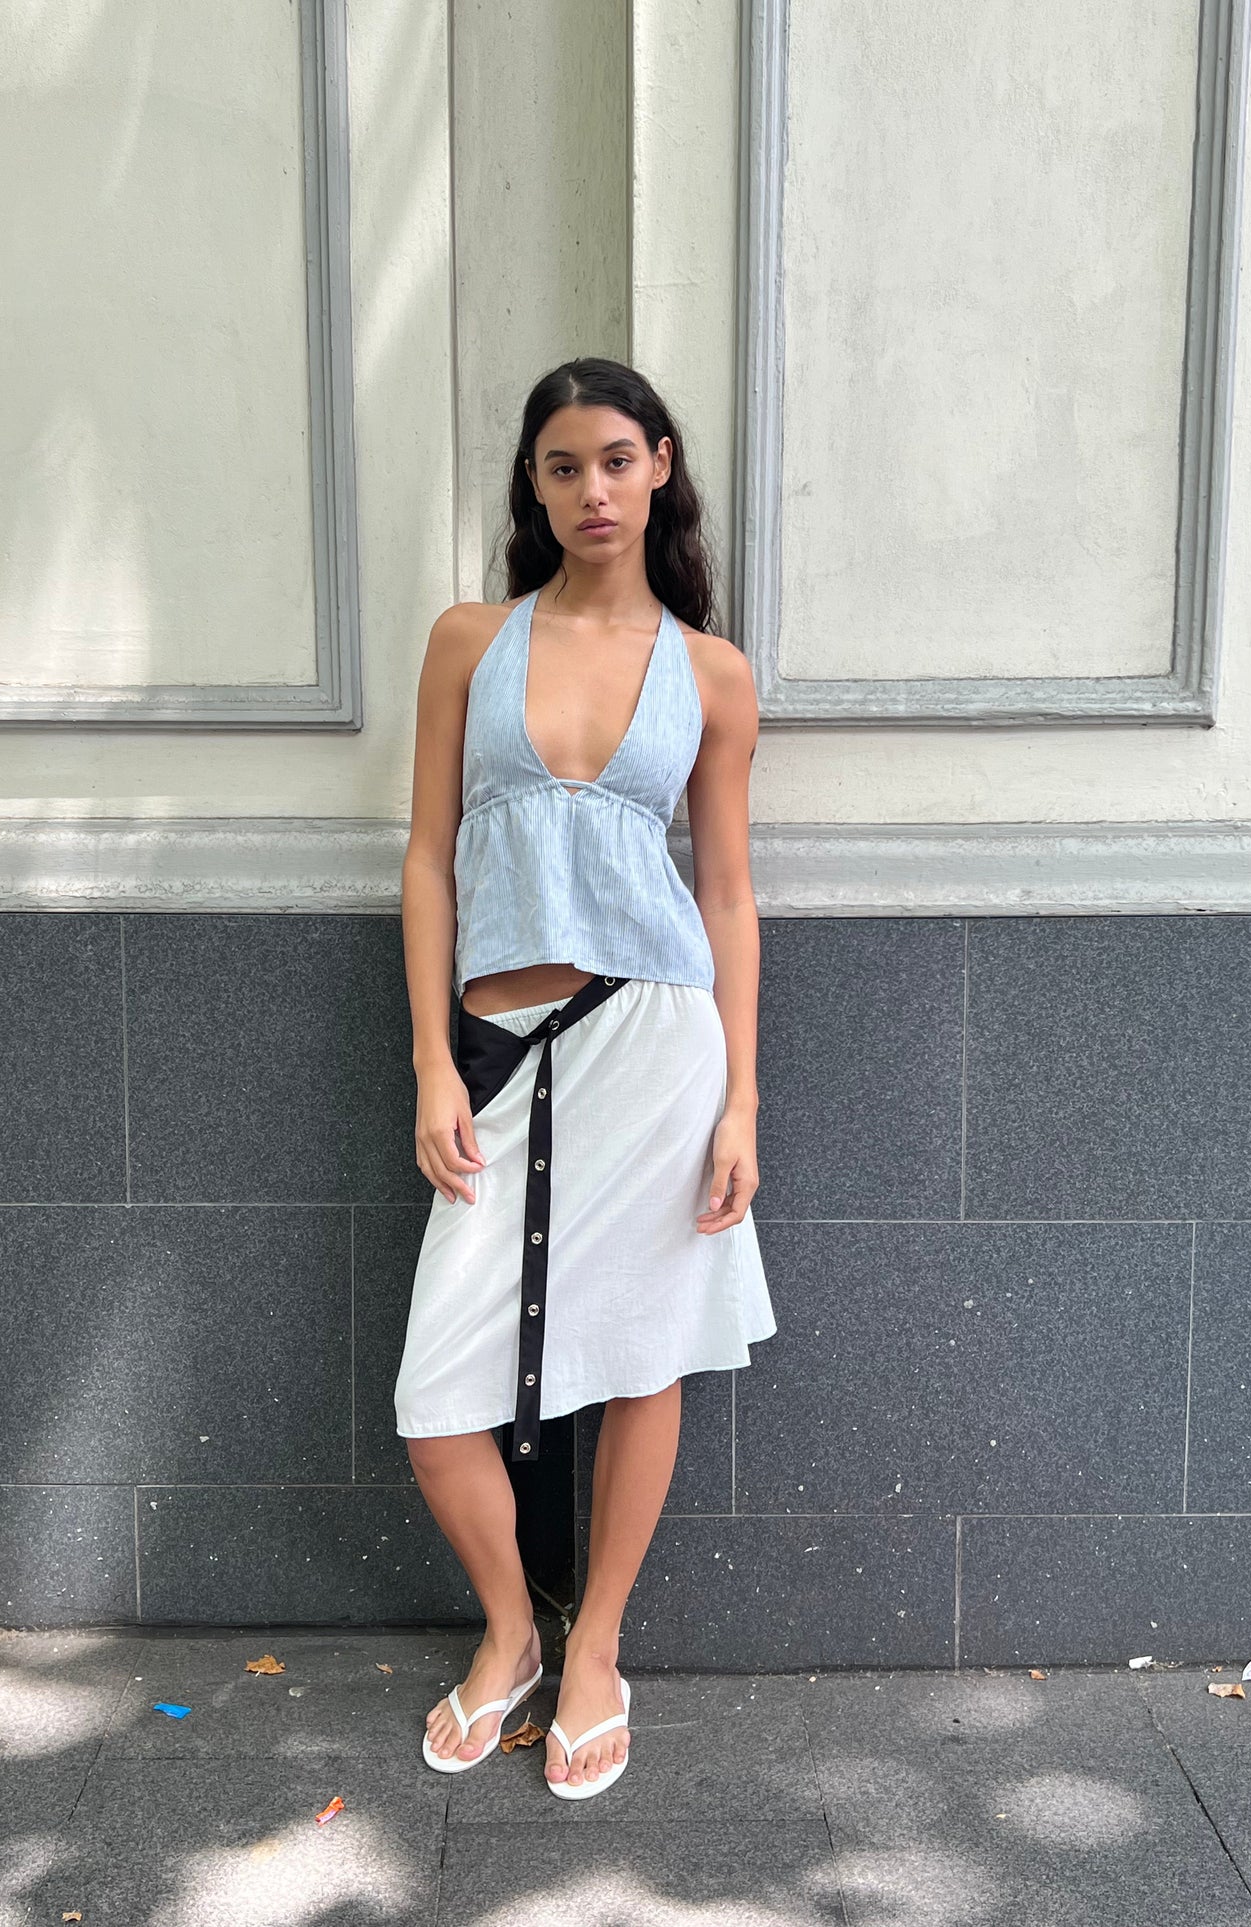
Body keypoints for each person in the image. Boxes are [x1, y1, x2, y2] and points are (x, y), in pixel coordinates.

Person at [396, 355, 775, 1798]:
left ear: (659, 466)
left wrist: (740, 1100)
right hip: (497, 1049)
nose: (592, 489)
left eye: (616, 459)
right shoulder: (468, 641)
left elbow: (726, 893)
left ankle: (596, 1644)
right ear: (535, 486)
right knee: (436, 1393)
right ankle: (511, 1632)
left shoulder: (709, 673)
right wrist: (431, 1062)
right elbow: (428, 858)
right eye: (563, 466)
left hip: (655, 1039)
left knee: (639, 1352)